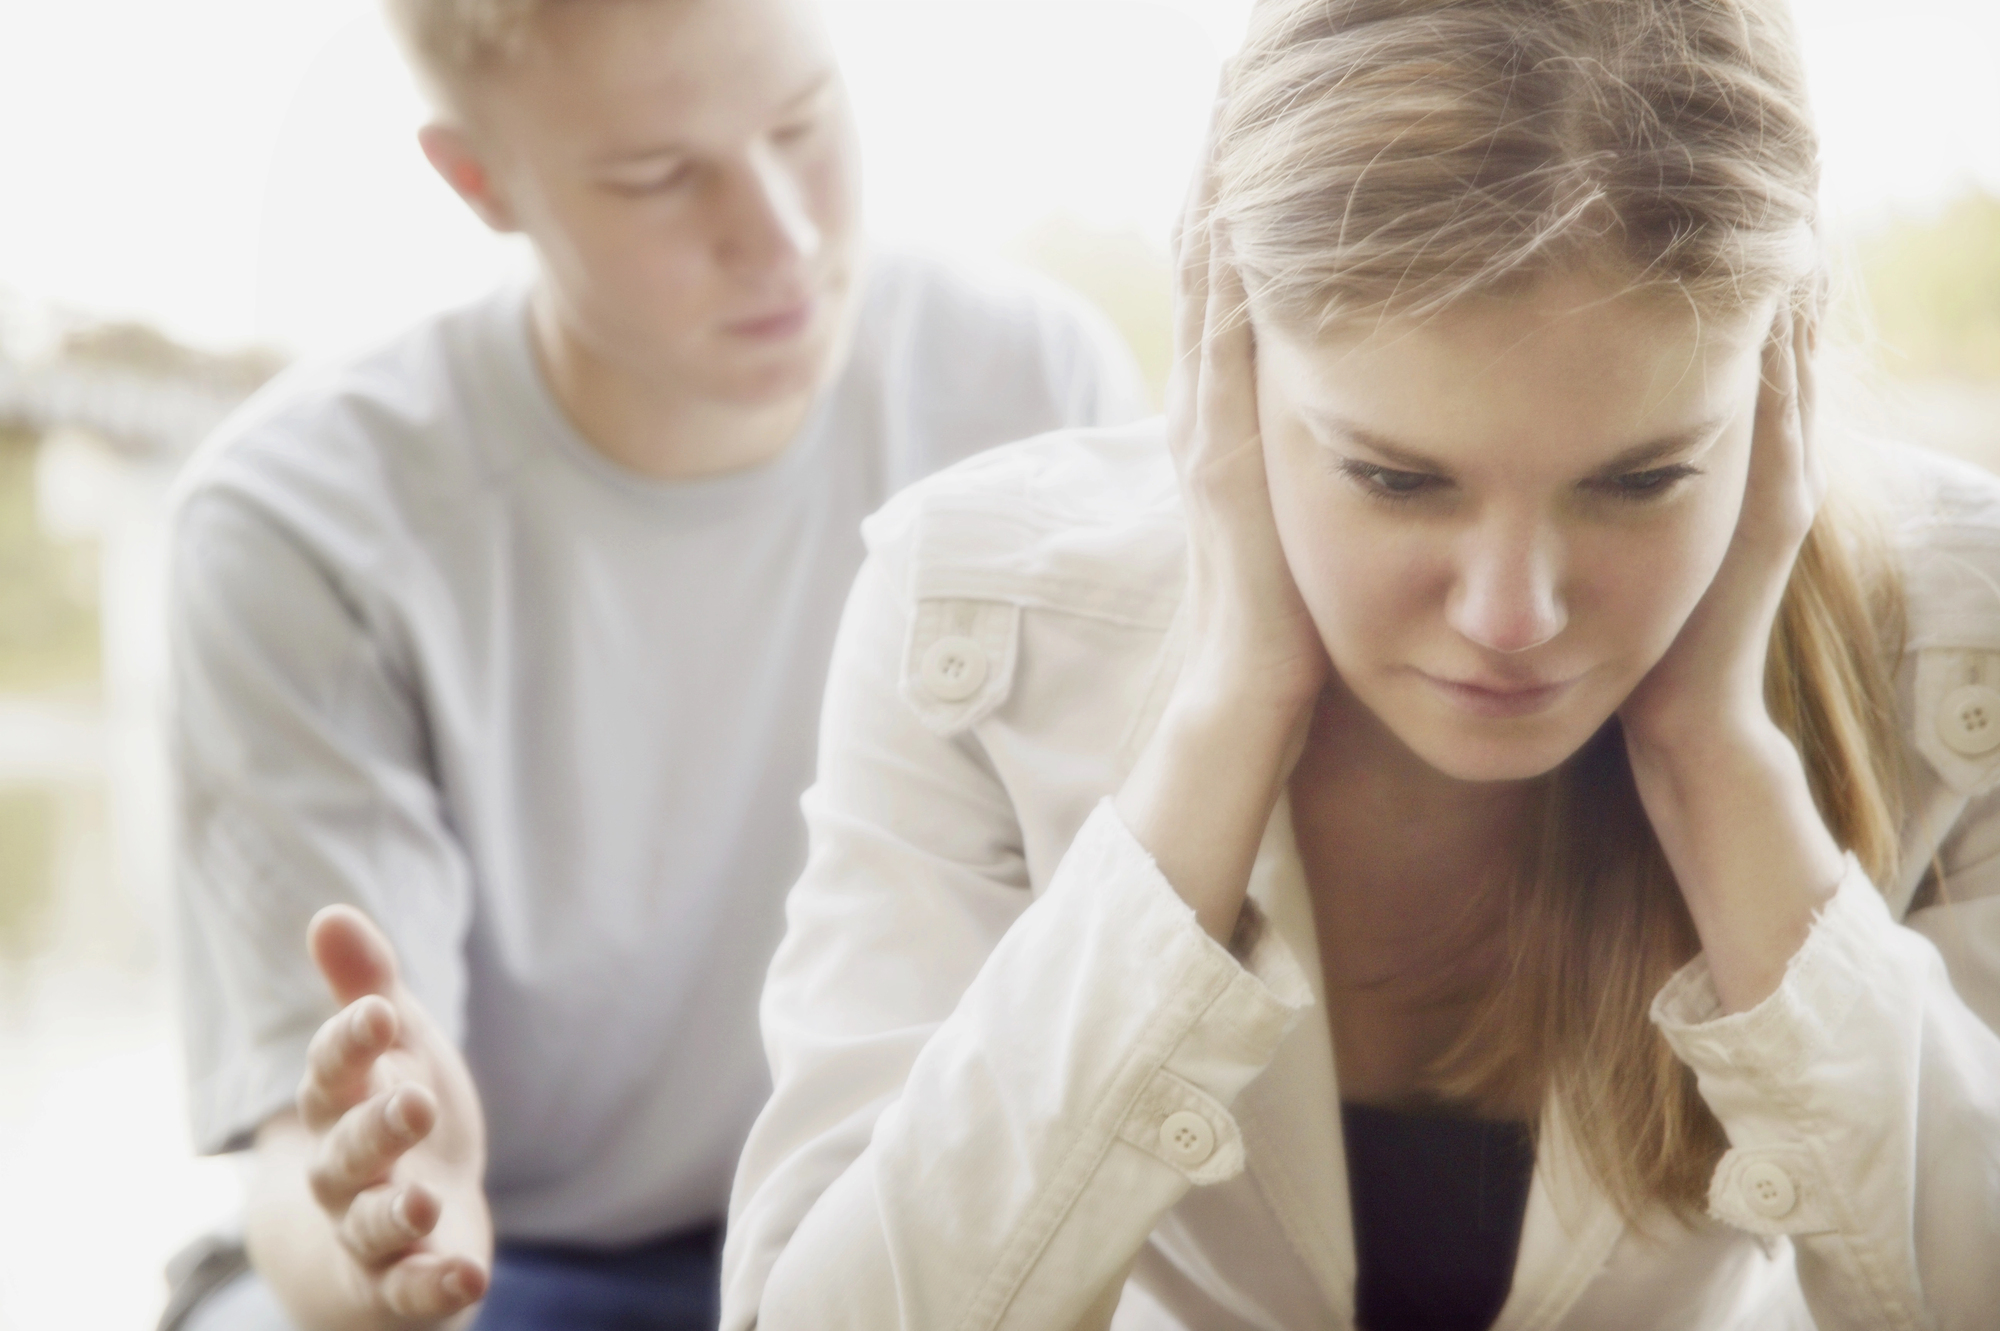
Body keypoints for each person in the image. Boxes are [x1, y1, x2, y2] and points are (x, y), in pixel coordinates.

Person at [721, 0, 2000, 1327]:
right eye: (1396, 478)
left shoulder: (1958, 644)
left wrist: (1720, 761)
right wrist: (1223, 722)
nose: (1515, 616)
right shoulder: (978, 624)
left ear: (1776, 376)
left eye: (1642, 480)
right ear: (1230, 350)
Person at [164, 0, 1147, 1325]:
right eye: (658, 176)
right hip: (520, 1262)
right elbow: (307, 1141)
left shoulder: (1031, 383)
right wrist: (381, 1239)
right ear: (479, 181)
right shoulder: (301, 527)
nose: (783, 237)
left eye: (804, 123)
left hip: (905, 1224)